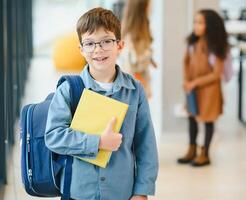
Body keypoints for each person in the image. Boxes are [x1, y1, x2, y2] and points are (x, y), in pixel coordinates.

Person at [45, 7, 158, 200]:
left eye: (106, 41)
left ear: (120, 45)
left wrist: (141, 191)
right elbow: (53, 136)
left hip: (121, 192)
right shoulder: (69, 89)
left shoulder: (135, 91)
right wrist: (98, 143)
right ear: (81, 50)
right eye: (89, 43)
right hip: (80, 192)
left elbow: (145, 146)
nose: (98, 50)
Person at [177, 9, 229, 167]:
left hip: (209, 90)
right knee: (192, 117)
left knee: (207, 120)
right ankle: (192, 148)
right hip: (193, 88)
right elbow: (186, 62)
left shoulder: (214, 46)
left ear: (210, 26)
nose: (196, 26)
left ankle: (205, 153)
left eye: (200, 23)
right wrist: (187, 80)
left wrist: (195, 82)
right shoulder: (192, 43)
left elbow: (216, 73)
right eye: (195, 22)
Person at [118, 0, 157, 98]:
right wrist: (142, 88)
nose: (152, 8)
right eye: (149, 5)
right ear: (142, 9)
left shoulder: (143, 30)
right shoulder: (131, 37)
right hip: (134, 87)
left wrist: (150, 60)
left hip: (140, 83)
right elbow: (131, 66)